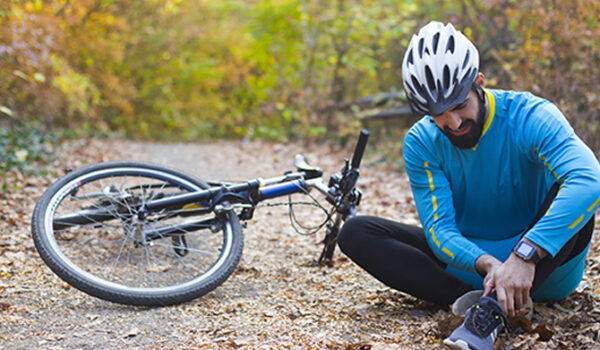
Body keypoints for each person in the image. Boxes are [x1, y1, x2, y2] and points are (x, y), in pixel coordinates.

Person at [337, 21, 600, 350]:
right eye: (438, 115)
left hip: (543, 265)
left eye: (459, 105)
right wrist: (487, 263)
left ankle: (488, 314)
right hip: (473, 268)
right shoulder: (422, 142)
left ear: (479, 83)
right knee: (356, 231)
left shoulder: (532, 116)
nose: (453, 123)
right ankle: (475, 302)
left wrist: (524, 257)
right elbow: (440, 231)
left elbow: (589, 178)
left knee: (574, 197)